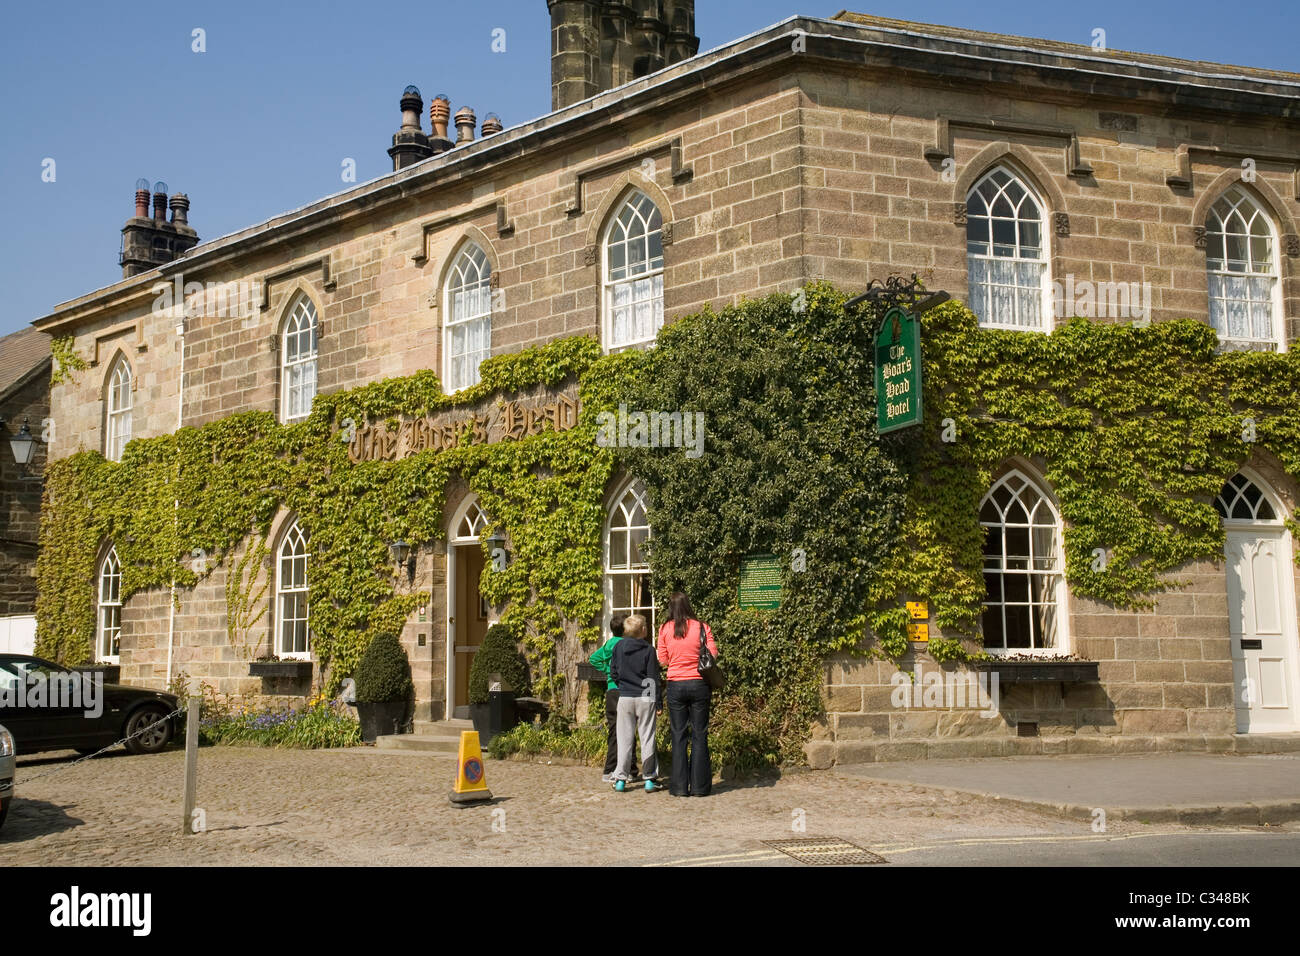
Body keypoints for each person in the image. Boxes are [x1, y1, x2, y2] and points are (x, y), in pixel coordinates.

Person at [657, 592, 717, 797]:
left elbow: (662, 659)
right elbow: (713, 654)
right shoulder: (702, 627)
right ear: (688, 605)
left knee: (678, 735)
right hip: (699, 683)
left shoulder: (664, 629)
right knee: (700, 734)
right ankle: (700, 787)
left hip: (675, 684)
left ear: (670, 608)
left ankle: (680, 787)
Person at [609, 614, 662, 792]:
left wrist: (623, 686)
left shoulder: (618, 647)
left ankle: (620, 780)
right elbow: (653, 678)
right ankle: (649, 779)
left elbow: (613, 671)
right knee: (647, 737)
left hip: (625, 696)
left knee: (624, 739)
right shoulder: (648, 650)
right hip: (645, 696)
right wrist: (658, 702)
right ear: (643, 630)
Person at [587, 613, 637, 783]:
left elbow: (593, 659)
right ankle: (630, 769)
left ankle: (609, 770)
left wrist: (608, 670)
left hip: (611, 691)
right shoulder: (626, 644)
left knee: (614, 732)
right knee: (629, 731)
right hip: (625, 689)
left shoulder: (609, 644)